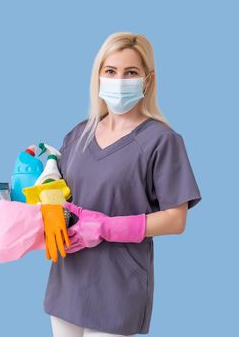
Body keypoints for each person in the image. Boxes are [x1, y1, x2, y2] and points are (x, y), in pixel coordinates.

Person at [44, 32, 202, 336]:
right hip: (67, 280)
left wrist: (106, 228)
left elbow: (176, 219)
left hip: (117, 286)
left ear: (147, 79)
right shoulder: (79, 135)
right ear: (98, 76)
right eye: (111, 71)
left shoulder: (162, 141)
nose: (119, 80)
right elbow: (59, 198)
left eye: (131, 72)